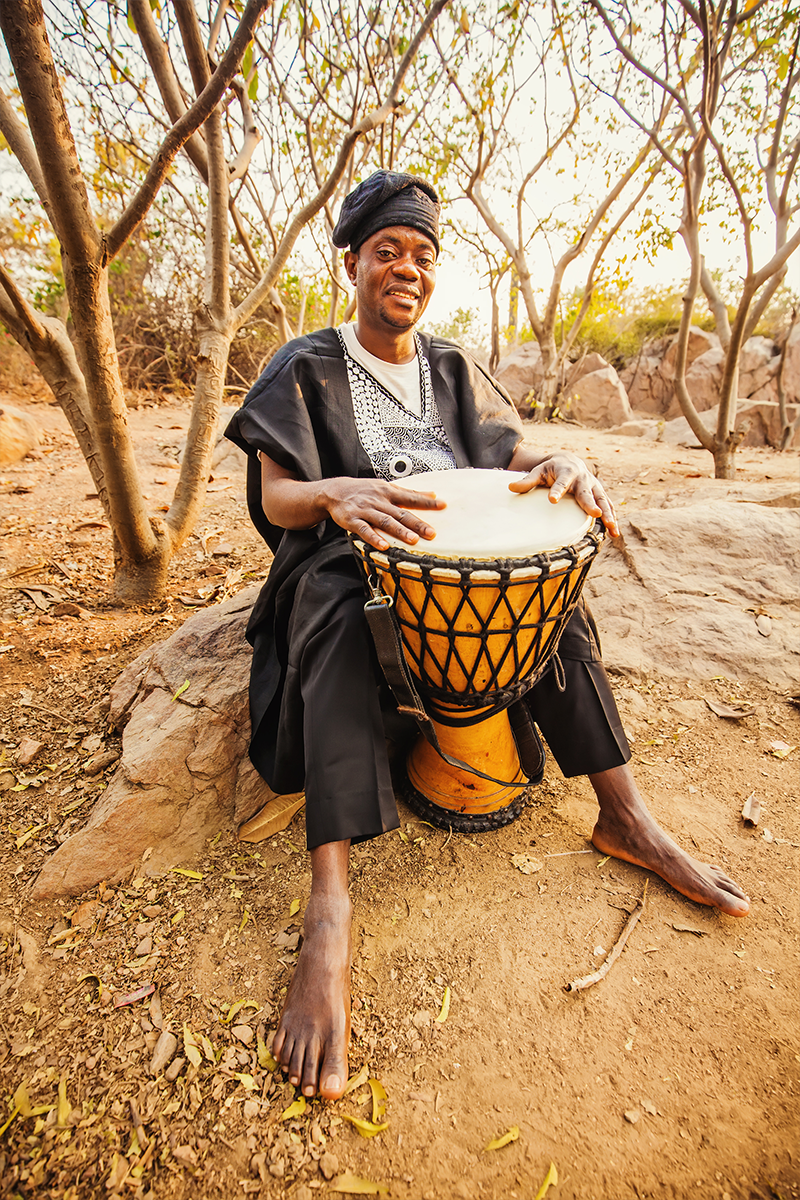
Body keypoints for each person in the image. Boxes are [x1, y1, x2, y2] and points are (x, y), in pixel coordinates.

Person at [225, 170, 749, 1103]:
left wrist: (564, 459)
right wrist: (335, 493)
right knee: (339, 616)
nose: (407, 268)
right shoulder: (304, 365)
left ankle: (625, 815)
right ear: (351, 263)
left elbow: (512, 455)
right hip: (347, 561)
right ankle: (330, 907)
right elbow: (277, 497)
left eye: (423, 255)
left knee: (548, 594)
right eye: (387, 250)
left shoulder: (451, 366)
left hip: (451, 572)